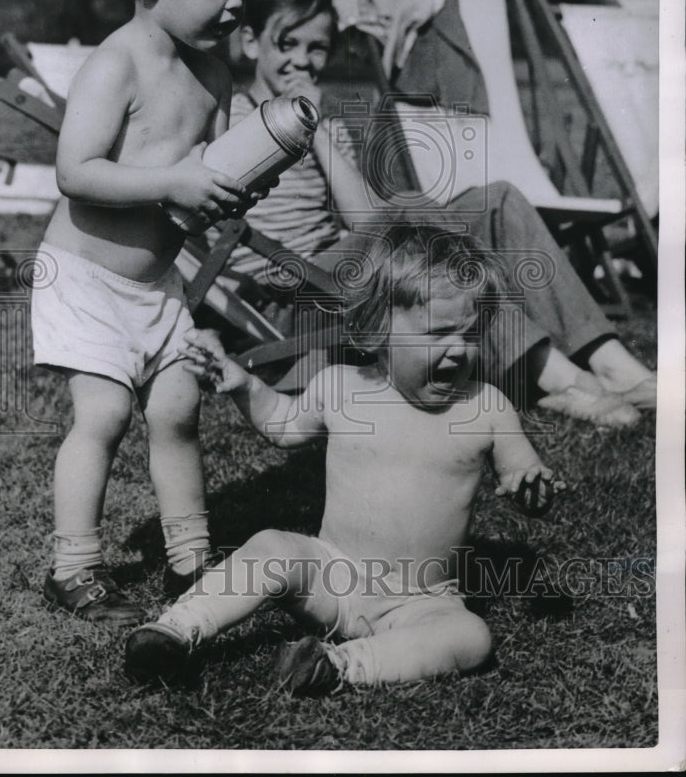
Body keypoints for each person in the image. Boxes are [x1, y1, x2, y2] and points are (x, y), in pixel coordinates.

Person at [124, 225, 566, 693]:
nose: (458, 349)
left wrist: (530, 489)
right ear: (377, 331)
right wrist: (244, 385)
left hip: (419, 600)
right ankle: (174, 630)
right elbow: (284, 425)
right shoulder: (342, 386)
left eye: (472, 334)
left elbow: (522, 476)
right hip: (333, 575)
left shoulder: (487, 408)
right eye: (439, 333)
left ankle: (336, 666)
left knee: (471, 636)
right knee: (272, 547)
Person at [222, 0, 656, 425]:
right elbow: (366, 222)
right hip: (283, 294)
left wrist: (317, 130)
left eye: (317, 48)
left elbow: (358, 219)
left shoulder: (326, 119)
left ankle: (614, 365)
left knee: (498, 199)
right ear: (252, 42)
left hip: (339, 274)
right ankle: (558, 377)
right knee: (410, 206)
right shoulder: (230, 119)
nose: (302, 60)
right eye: (287, 43)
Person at [31, 0, 265, 624]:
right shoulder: (117, 62)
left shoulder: (215, 71)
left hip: (159, 283)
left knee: (177, 408)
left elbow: (217, 168)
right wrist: (174, 179)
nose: (238, 5)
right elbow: (76, 172)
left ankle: (189, 558)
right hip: (86, 278)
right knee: (101, 416)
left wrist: (236, 183)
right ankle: (72, 568)